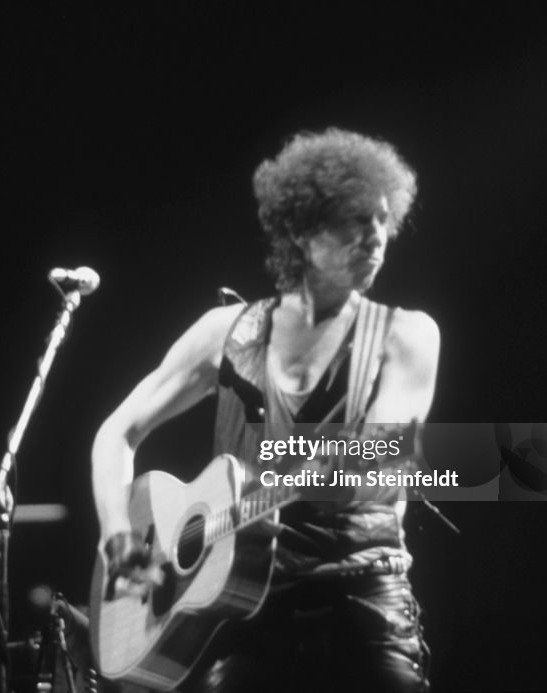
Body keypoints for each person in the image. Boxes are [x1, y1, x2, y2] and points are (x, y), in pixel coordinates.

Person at [92, 128, 440, 692]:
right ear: (302, 230)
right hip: (238, 617)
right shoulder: (221, 333)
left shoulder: (407, 334)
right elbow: (117, 433)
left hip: (362, 597)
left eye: (383, 220)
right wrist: (117, 532)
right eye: (356, 219)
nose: (377, 236)